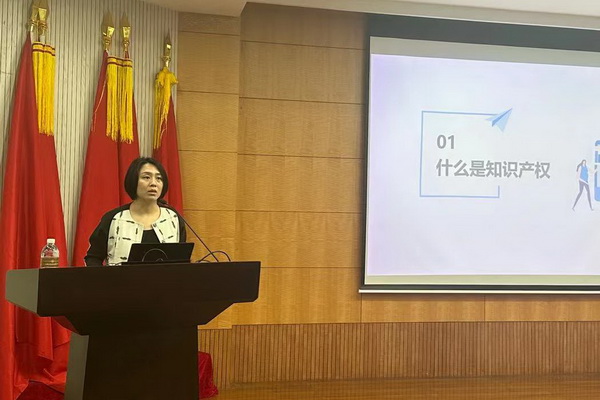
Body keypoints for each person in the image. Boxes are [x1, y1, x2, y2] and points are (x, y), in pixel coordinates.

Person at [84, 157, 186, 266]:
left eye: (159, 178)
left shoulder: (173, 218)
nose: (153, 183)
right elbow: (93, 258)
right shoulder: (114, 218)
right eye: (146, 177)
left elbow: (182, 260)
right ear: (133, 181)